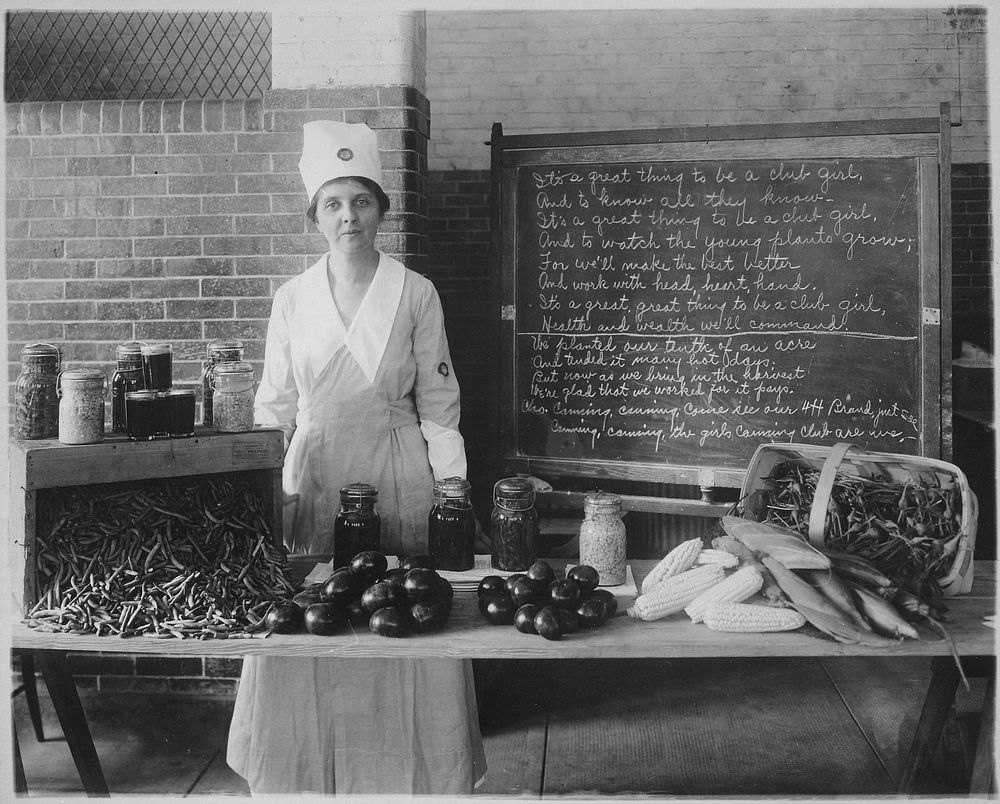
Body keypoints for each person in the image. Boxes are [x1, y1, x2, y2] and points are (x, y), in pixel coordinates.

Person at [226, 120, 486, 796]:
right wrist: (261, 491)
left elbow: (439, 400)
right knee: (311, 613)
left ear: (382, 210)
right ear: (315, 215)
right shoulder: (292, 299)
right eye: (335, 203)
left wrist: (452, 487)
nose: (350, 217)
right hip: (313, 477)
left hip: (398, 476)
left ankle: (414, 781)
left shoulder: (415, 291)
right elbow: (273, 405)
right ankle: (303, 780)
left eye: (362, 201)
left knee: (406, 616)